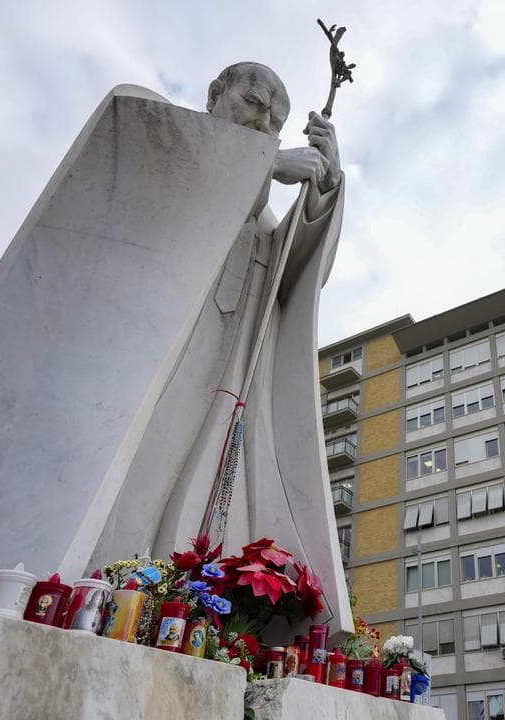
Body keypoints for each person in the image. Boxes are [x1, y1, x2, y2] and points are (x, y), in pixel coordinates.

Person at [85, 63, 352, 635]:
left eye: (277, 122)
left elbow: (300, 272)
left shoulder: (261, 218)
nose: (264, 124)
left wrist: (325, 184)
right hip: (169, 360)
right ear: (216, 95)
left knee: (214, 495)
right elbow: (156, 173)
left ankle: (183, 611)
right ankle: (108, 586)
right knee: (147, 468)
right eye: (253, 104)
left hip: (235, 380)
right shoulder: (166, 139)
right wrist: (264, 166)